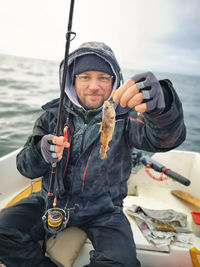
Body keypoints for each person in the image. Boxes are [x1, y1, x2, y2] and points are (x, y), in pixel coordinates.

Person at [0, 41, 186, 267]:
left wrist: (163, 108)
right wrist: (40, 152)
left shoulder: (127, 117)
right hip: (50, 199)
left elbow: (165, 139)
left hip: (105, 209)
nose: (94, 86)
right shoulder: (52, 115)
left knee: (122, 262)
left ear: (114, 82)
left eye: (103, 78)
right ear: (72, 80)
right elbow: (24, 167)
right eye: (85, 76)